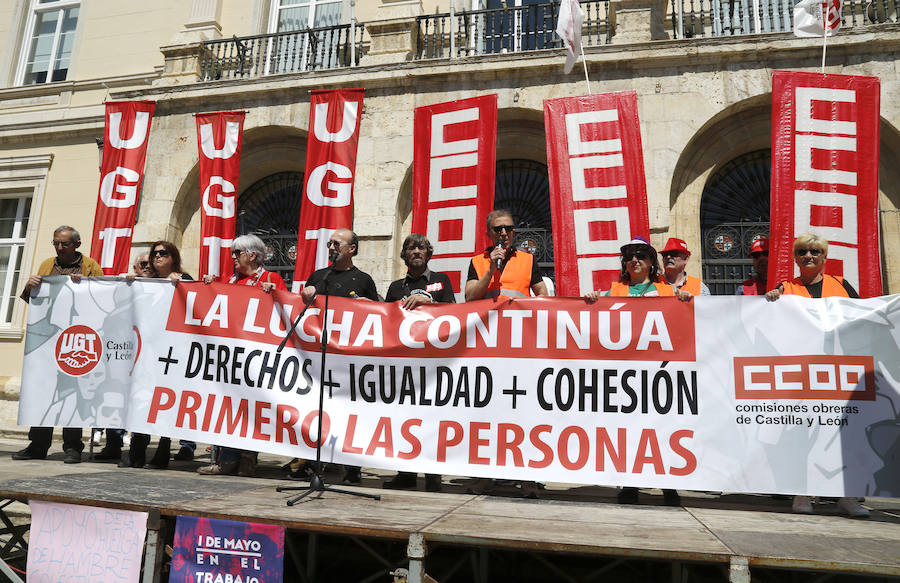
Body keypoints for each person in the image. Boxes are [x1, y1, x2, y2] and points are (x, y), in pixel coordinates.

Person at [764, 232, 869, 518]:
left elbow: (861, 319)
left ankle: (847, 497)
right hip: (801, 374)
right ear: (796, 258)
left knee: (842, 434)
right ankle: (803, 493)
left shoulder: (842, 285)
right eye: (802, 252)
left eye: (814, 252)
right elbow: (768, 322)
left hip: (837, 372)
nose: (808, 256)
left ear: (824, 257)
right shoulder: (785, 288)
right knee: (803, 433)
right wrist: (771, 298)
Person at [584, 237, 689, 506]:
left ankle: (668, 484)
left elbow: (686, 319)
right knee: (628, 431)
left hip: (657, 375)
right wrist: (593, 298)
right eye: (630, 256)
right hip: (625, 376)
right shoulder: (613, 291)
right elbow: (592, 313)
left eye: (641, 255)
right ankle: (630, 483)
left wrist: (687, 300)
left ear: (652, 262)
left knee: (662, 430)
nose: (635, 260)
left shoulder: (667, 292)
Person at [13, 226, 103, 464]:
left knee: (71, 392)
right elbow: (32, 301)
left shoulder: (90, 266)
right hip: (47, 339)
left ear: (77, 244)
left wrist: (84, 286)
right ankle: (38, 445)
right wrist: (30, 285)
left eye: (64, 244)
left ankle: (73, 447)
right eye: (56, 243)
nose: (59, 248)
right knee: (42, 391)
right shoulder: (46, 265)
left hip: (76, 339)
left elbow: (101, 298)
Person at [198, 234, 287, 477]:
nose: (233, 257)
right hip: (229, 356)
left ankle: (247, 458)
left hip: (256, 357)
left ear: (253, 255)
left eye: (237, 252)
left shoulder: (272, 279)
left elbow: (286, 311)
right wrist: (209, 286)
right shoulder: (230, 280)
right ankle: (225, 459)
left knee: (250, 408)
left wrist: (274, 294)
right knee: (227, 405)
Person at [301, 228, 378, 485]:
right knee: (318, 409)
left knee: (350, 412)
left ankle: (352, 467)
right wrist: (306, 297)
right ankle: (315, 463)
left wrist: (370, 305)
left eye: (337, 243)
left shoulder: (363, 279)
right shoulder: (319, 277)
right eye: (329, 244)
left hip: (350, 360)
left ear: (352, 249)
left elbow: (379, 316)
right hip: (320, 358)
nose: (331, 247)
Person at [382, 234, 455, 493]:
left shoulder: (441, 280)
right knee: (405, 419)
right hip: (403, 365)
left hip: (434, 363)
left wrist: (430, 302)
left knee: (432, 418)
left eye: (420, 247)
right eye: (410, 248)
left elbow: (455, 315)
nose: (415, 251)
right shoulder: (394, 288)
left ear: (428, 253)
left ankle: (433, 474)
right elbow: (386, 321)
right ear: (404, 255)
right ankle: (406, 473)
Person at [119, 241, 197, 469]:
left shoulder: (185, 279)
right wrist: (130, 283)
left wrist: (183, 285)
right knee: (142, 399)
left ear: (173, 257)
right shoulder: (146, 282)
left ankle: (163, 451)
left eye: (163, 253)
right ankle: (137, 452)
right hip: (147, 351)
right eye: (155, 254)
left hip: (173, 351)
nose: (157, 257)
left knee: (165, 402)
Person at [93, 252, 154, 461]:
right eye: (143, 263)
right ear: (135, 267)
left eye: (151, 263)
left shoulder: (161, 288)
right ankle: (112, 445)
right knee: (116, 397)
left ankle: (138, 448)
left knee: (142, 401)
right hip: (122, 352)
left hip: (148, 356)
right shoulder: (125, 285)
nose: (148, 267)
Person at [465, 209, 548, 301]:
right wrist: (490, 271)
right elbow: (470, 297)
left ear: (513, 232)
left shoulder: (528, 260)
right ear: (488, 234)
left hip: (519, 314)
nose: (504, 233)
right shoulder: (477, 262)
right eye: (498, 229)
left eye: (508, 229)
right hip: (489, 315)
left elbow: (543, 296)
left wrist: (525, 302)